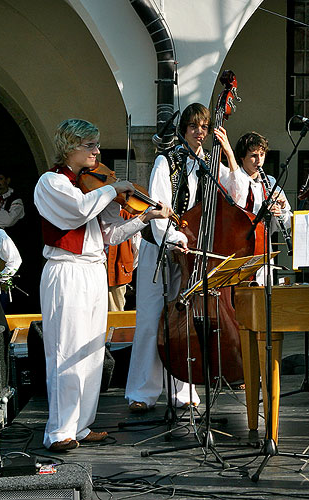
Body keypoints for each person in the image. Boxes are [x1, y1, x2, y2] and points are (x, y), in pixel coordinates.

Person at [35, 118, 174, 452]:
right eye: (90, 146)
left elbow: (110, 235)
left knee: (92, 351)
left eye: (96, 145)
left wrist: (144, 218)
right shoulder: (51, 182)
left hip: (94, 270)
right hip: (66, 270)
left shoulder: (92, 187)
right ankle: (59, 430)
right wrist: (112, 189)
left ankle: (80, 425)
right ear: (70, 147)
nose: (97, 152)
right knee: (65, 350)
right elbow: (77, 212)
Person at [124, 103, 208, 412]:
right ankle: (141, 392)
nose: (200, 132)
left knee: (181, 322)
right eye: (194, 126)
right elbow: (159, 212)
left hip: (186, 253)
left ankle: (181, 389)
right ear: (184, 130)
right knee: (150, 319)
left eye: (205, 127)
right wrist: (173, 239)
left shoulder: (206, 165)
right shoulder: (166, 161)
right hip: (158, 250)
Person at [214, 129, 292, 284]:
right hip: (239, 248)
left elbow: (288, 222)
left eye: (262, 155)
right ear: (242, 157)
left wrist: (280, 212)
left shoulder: (269, 181)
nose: (259, 161)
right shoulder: (233, 178)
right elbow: (238, 202)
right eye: (253, 156)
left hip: (263, 249)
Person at [107, 209, 140, 311]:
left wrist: (128, 266)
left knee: (114, 309)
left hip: (118, 266)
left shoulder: (127, 214)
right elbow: (137, 248)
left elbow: (136, 245)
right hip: (110, 264)